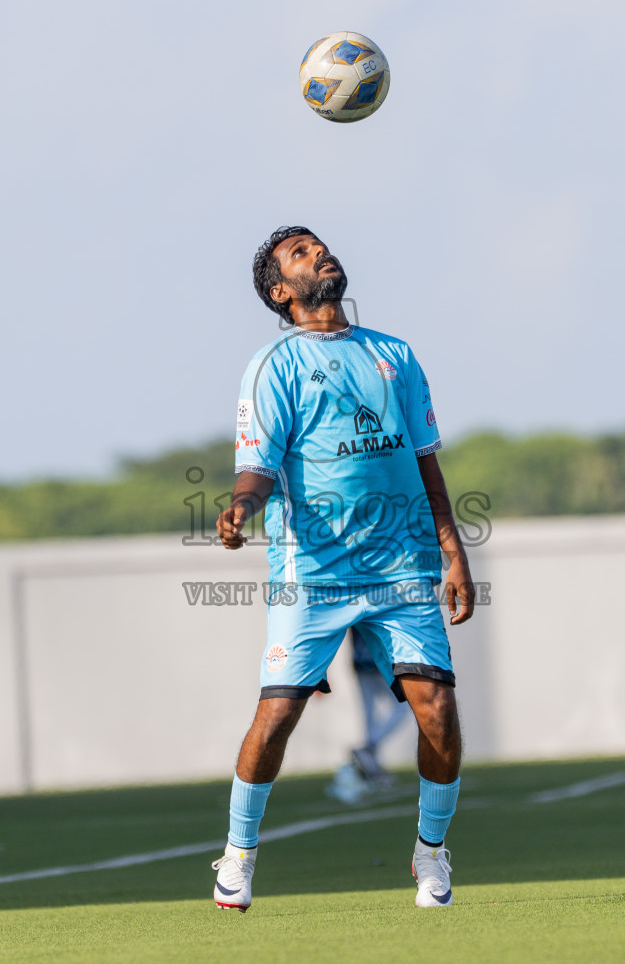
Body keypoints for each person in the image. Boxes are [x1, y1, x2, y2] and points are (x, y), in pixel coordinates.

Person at [211, 226, 476, 911]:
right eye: (300, 254)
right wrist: (241, 510)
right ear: (280, 291)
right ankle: (238, 853)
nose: (319, 254)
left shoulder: (394, 353)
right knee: (275, 719)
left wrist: (453, 551)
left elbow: (424, 461)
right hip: (315, 574)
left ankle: (432, 852)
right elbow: (257, 467)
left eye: (319, 246)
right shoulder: (274, 365)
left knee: (439, 714)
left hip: (403, 567)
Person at [326, 628, 414, 804]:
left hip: (361, 662)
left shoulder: (350, 602)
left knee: (370, 715)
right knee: (401, 707)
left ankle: (370, 765)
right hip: (378, 660)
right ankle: (369, 750)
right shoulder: (379, 601)